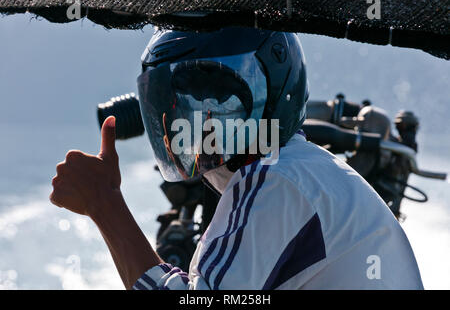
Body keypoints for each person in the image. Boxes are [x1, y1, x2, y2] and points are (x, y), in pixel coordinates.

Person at [50, 27, 423, 289]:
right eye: (191, 106)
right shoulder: (304, 170)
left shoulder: (276, 180)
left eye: (222, 103)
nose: (204, 124)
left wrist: (104, 202)